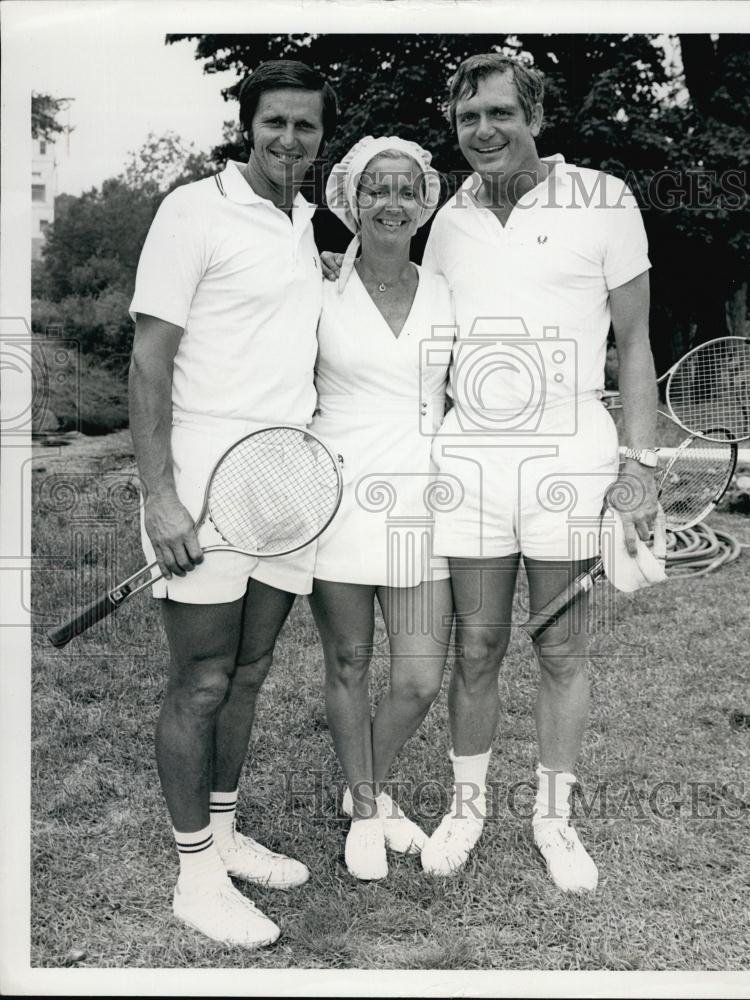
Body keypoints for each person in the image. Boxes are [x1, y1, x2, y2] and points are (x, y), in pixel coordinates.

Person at [324, 53, 659, 891]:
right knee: (475, 645)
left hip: (571, 455)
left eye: (501, 114)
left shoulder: (604, 199)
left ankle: (554, 818)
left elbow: (638, 344)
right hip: (468, 462)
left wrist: (640, 463)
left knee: (561, 648)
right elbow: (394, 307)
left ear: (535, 115)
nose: (484, 132)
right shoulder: (450, 219)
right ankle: (466, 808)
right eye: (469, 118)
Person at [128, 60, 337, 947]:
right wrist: (160, 495)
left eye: (306, 127)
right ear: (246, 125)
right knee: (203, 678)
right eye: (275, 123)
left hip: (285, 475)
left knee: (248, 673)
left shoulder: (306, 224)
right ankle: (196, 875)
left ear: (322, 138)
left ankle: (223, 829)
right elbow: (148, 360)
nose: (290, 140)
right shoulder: (192, 210)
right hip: (203, 476)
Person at [310, 136, 455, 880]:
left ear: (424, 201)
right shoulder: (318, 282)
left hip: (422, 501)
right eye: (375, 190)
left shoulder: (447, 288)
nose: (391, 202)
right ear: (351, 202)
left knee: (418, 677)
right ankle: (368, 809)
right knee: (349, 660)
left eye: (405, 189)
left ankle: (359, 784)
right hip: (334, 493)